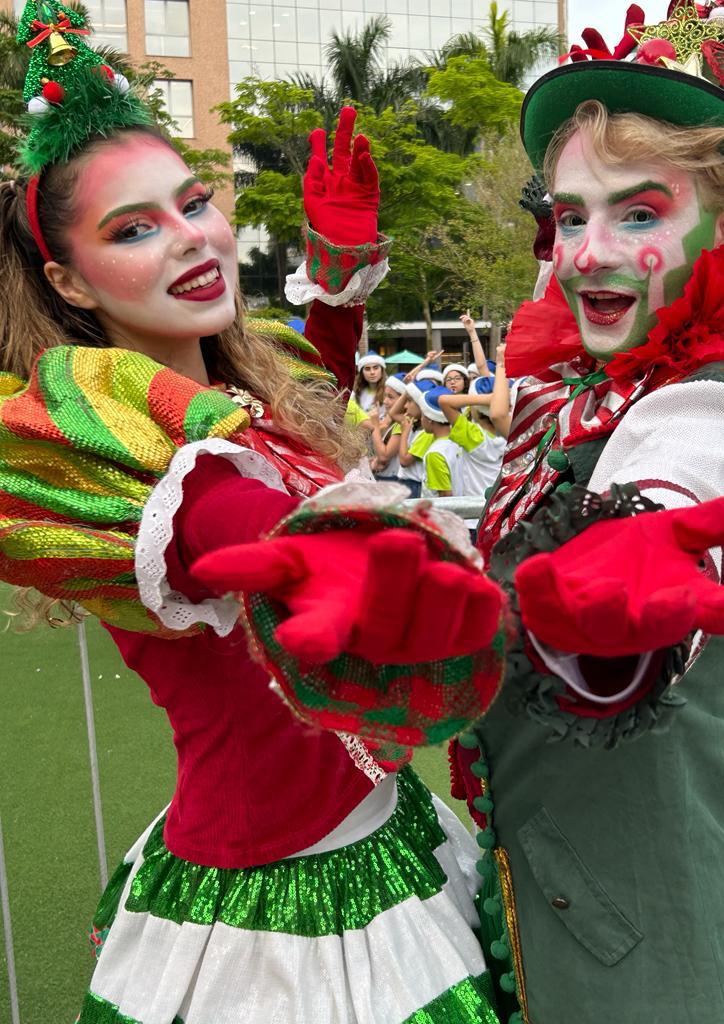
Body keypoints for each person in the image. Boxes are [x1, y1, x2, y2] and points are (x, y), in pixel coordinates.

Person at [0, 7, 507, 1020]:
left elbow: (291, 411)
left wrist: (336, 276)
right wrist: (337, 564)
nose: (192, 240)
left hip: (384, 824)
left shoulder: (246, 404)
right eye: (135, 229)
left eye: (193, 203)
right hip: (278, 913)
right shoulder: (100, 439)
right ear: (66, 278)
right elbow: (226, 515)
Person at [465, 5, 724, 1020]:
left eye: (639, 214)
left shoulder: (721, 388)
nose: (588, 251)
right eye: (569, 215)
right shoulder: (579, 386)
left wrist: (632, 574)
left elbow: (700, 461)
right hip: (554, 902)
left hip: (655, 946)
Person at [419, 386, 465, 498]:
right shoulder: (461, 441)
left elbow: (445, 497)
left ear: (430, 419)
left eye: (423, 414)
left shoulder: (435, 453)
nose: (421, 419)